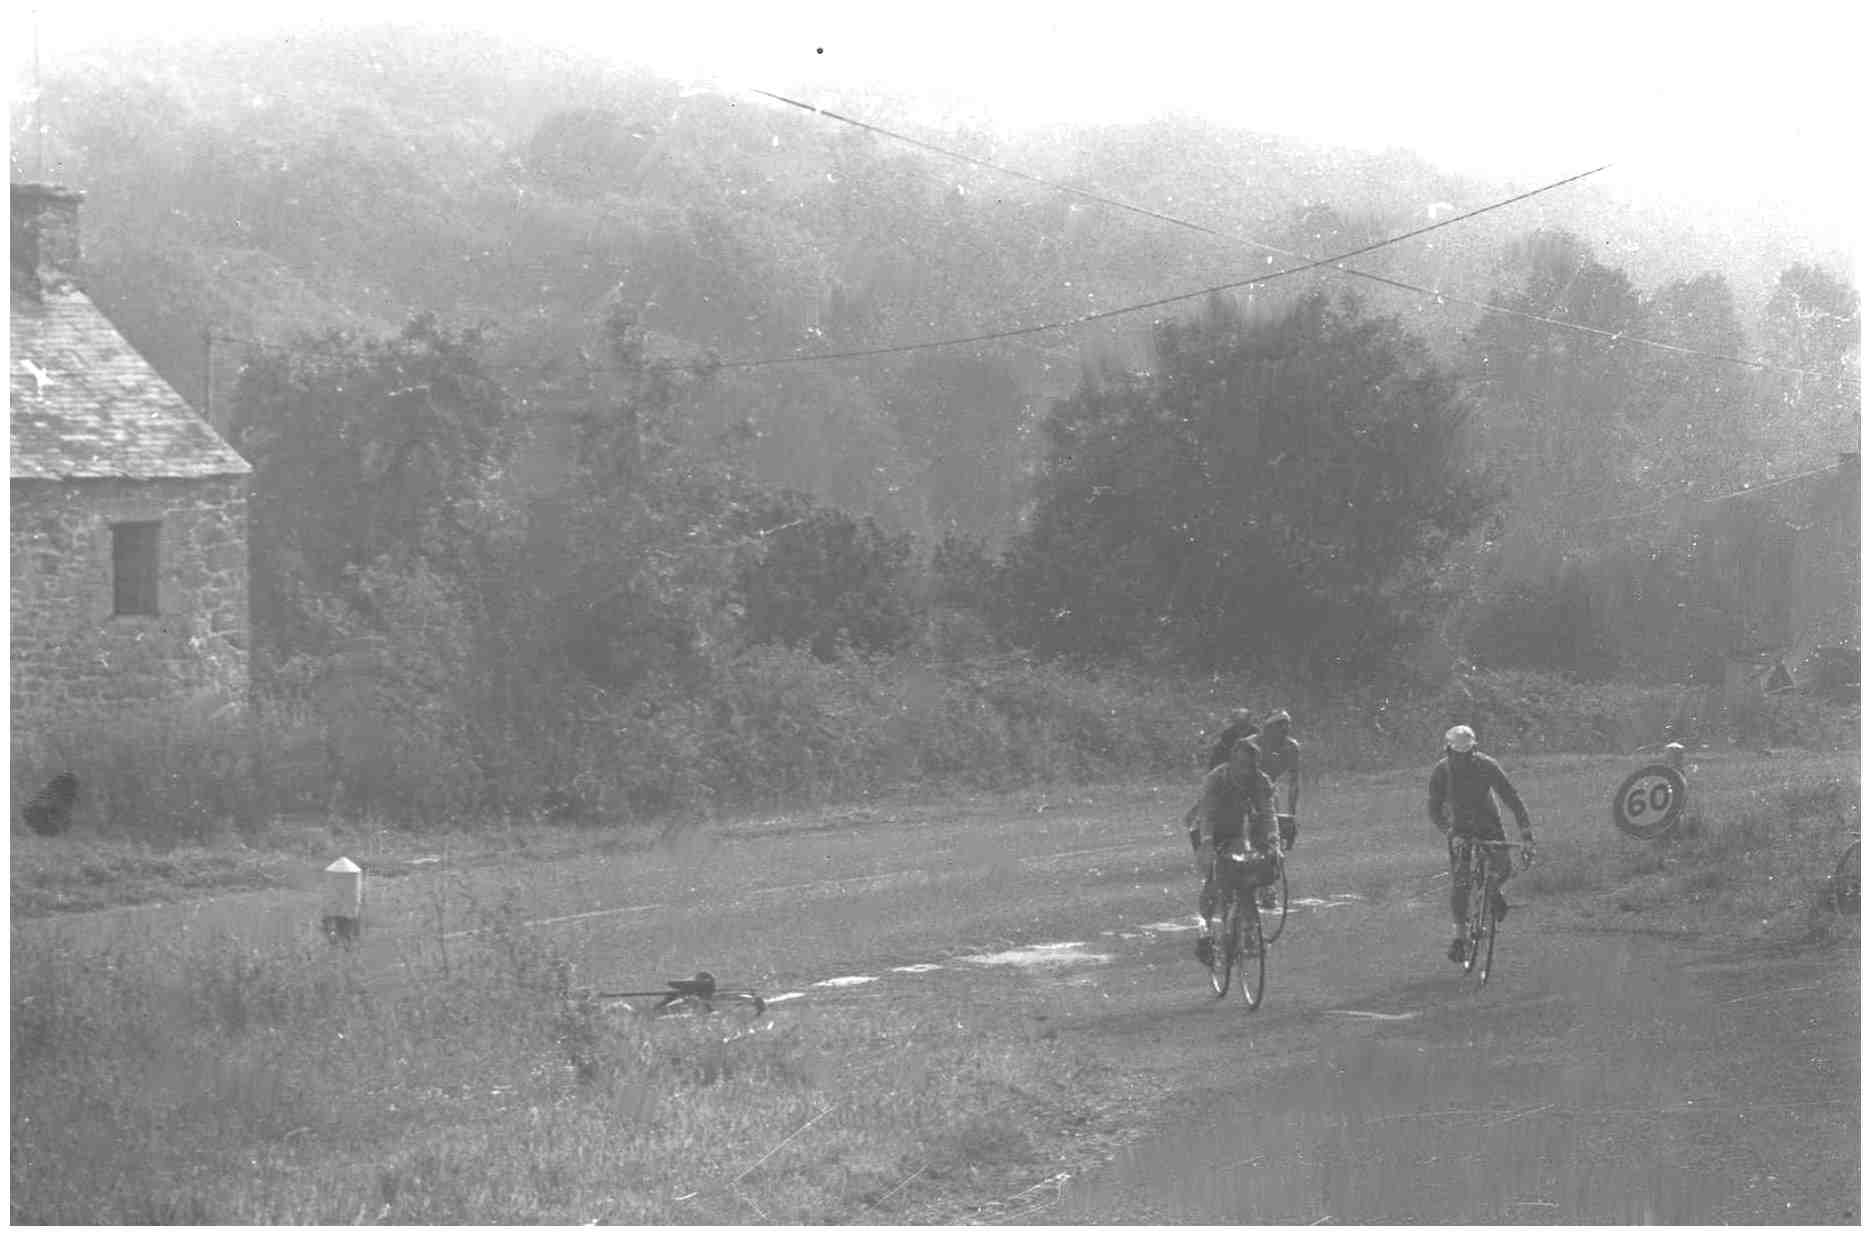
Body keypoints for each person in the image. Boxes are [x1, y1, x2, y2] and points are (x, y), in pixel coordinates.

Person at [1428, 725, 1535, 963]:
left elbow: (1512, 799)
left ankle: (1493, 890)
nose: (1462, 760)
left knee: (1504, 867)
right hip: (1459, 829)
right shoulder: (1441, 772)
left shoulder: (1487, 766)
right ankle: (1459, 937)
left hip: (1488, 823)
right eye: (1457, 755)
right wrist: (1449, 833)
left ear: (1474, 750)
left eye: (1467, 754)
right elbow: (1433, 809)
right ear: (1448, 752)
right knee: (1461, 879)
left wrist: (1526, 835)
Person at [1184, 736, 1277, 965]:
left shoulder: (1260, 780)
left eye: (1251, 766)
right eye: (1242, 765)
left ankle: (1247, 929)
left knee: (1245, 876)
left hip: (1235, 829)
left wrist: (1274, 840)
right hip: (1207, 828)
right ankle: (1204, 934)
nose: (1246, 771)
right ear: (1233, 762)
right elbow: (1207, 814)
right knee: (1214, 881)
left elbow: (1268, 813)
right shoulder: (1216, 779)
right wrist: (1207, 844)